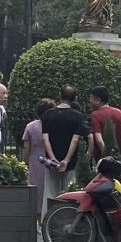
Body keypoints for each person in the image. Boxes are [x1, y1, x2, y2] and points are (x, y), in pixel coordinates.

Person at [40, 86, 84, 217]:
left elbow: (45, 138)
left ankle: (46, 221)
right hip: (70, 162)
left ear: (60, 96)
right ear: (75, 98)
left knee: (49, 191)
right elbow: (75, 139)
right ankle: (67, 220)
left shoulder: (48, 114)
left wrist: (53, 158)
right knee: (69, 193)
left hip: (50, 161)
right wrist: (67, 159)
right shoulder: (77, 116)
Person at [23, 97, 56, 221]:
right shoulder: (54, 126)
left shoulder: (30, 126)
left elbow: (27, 146)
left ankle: (36, 217)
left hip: (35, 160)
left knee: (36, 188)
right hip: (50, 160)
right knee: (49, 188)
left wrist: (25, 160)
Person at [89, 86, 121, 162]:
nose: (90, 101)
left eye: (91, 98)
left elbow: (99, 140)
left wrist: (109, 156)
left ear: (98, 100)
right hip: (120, 157)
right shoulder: (119, 112)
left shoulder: (95, 115)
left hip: (103, 159)